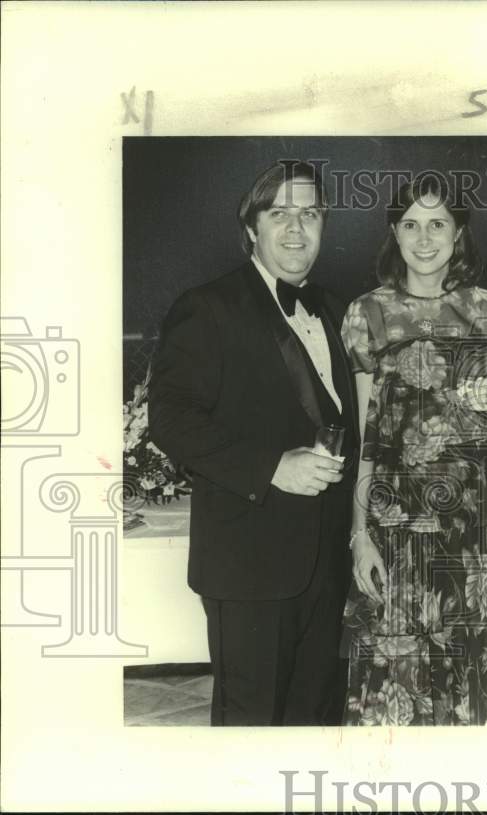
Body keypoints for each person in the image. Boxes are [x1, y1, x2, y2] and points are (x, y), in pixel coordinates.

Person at [149, 161, 358, 726]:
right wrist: (271, 466)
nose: (296, 228)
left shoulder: (337, 310)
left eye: (310, 214)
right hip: (249, 569)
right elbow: (168, 418)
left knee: (314, 725)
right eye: (279, 213)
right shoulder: (208, 306)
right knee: (251, 732)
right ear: (251, 229)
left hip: (326, 570)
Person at [340, 174, 487, 725]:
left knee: (476, 667)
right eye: (411, 225)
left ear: (459, 232)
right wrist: (360, 533)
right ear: (394, 232)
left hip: (480, 526)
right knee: (399, 670)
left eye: (438, 223)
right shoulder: (366, 314)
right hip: (400, 523)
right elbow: (365, 437)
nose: (424, 238)